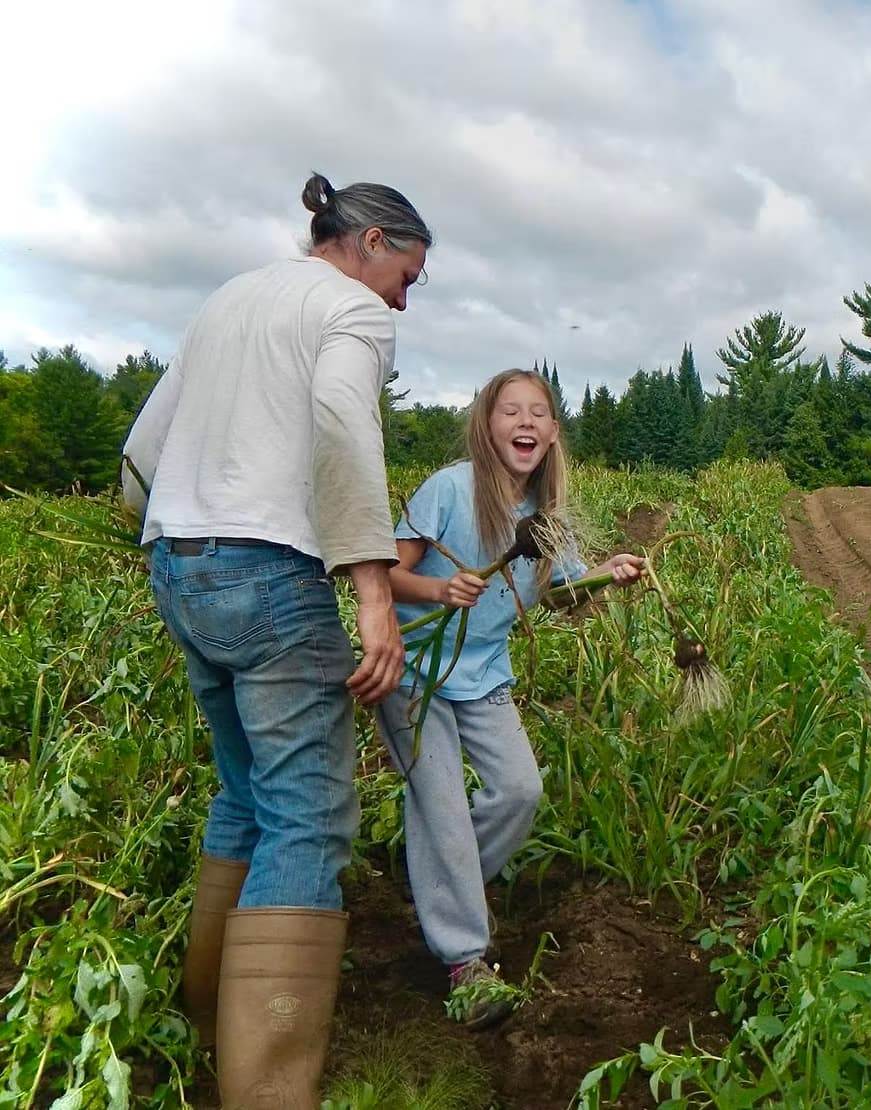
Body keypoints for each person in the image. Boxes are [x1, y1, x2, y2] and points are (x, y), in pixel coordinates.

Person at [120, 172, 430, 1105]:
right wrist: (374, 590)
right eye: (409, 274)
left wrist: (175, 526)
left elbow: (144, 448)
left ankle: (206, 1016)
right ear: (371, 242)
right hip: (269, 571)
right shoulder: (352, 312)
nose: (406, 299)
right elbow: (344, 427)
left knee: (246, 796)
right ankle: (264, 1090)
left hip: (180, 563)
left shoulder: (232, 296)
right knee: (309, 814)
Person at [376, 368, 644, 1029]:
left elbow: (560, 599)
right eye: (509, 411)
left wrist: (607, 577)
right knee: (439, 803)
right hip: (417, 670)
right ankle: (467, 963)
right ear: (486, 426)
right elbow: (385, 570)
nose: (524, 422)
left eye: (538, 413)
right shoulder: (448, 490)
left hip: (485, 672)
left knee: (520, 792)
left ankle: (440, 890)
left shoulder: (548, 522)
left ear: (553, 434)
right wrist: (439, 591)